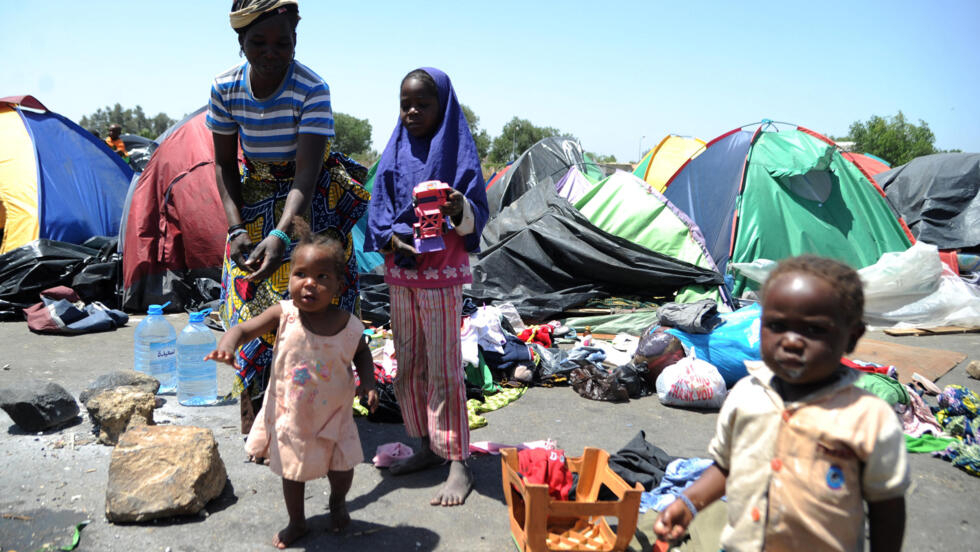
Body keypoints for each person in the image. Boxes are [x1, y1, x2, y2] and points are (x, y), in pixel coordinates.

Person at [653, 255, 909, 551]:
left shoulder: (868, 417)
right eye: (776, 325)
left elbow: (887, 507)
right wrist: (687, 504)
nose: (791, 341)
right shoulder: (745, 395)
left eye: (813, 329)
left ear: (852, 337)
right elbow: (726, 466)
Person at [207, 0, 370, 438]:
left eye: (284, 42)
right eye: (258, 42)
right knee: (247, 295)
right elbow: (224, 164)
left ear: (297, 40)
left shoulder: (312, 88)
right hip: (253, 191)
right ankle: (258, 411)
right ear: (241, 42)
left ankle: (321, 409)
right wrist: (236, 228)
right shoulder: (225, 87)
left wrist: (281, 232)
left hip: (307, 199)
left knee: (318, 296)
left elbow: (306, 171)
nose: (272, 52)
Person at [206, 220, 379, 548]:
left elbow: (363, 353)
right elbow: (244, 330)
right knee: (293, 473)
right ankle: (297, 522)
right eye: (300, 275)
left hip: (336, 415)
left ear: (339, 287)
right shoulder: (283, 314)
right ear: (289, 279)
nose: (309, 284)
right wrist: (228, 344)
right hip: (293, 415)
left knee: (342, 469)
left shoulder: (348, 324)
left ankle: (338, 502)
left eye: (322, 277)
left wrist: (367, 383)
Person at [363, 67, 489, 507]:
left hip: (441, 275)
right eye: (406, 104)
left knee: (445, 368)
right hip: (401, 275)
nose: (413, 111)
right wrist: (394, 240)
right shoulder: (395, 151)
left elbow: (476, 217)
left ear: (444, 107)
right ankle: (425, 446)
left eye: (423, 104)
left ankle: (458, 460)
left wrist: (459, 207)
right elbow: (378, 210)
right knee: (409, 361)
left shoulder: (458, 153)